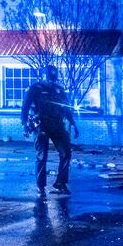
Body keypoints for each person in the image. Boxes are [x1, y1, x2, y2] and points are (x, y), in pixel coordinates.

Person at [21, 65, 79, 198]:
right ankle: (41, 187)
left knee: (66, 153)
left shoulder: (59, 90)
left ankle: (60, 183)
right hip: (41, 125)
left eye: (53, 78)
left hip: (57, 125)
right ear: (43, 76)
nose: (51, 81)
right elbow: (25, 107)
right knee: (42, 156)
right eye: (49, 78)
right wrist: (24, 124)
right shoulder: (35, 89)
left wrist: (73, 123)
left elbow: (66, 108)